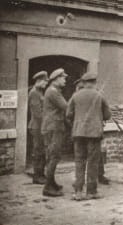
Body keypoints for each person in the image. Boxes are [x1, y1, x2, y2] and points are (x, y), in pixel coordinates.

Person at [66, 72, 111, 201]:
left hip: (78, 133)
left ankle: (78, 192)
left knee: (79, 161)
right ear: (94, 82)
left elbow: (68, 114)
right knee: (93, 162)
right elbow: (107, 115)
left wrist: (77, 124)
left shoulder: (75, 96)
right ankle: (91, 191)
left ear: (83, 83)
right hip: (94, 134)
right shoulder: (100, 96)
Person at [41, 68, 68, 197]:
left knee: (52, 155)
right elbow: (66, 107)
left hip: (51, 126)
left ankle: (51, 182)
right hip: (54, 127)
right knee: (54, 156)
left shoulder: (52, 91)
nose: (65, 81)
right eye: (63, 78)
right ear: (56, 79)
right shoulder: (53, 92)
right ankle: (47, 187)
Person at [28, 71, 49, 184]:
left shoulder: (40, 92)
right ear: (39, 81)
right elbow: (37, 114)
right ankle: (37, 176)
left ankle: (41, 174)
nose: (46, 84)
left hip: (41, 126)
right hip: (37, 126)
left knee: (41, 150)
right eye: (45, 82)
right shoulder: (34, 93)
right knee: (38, 151)